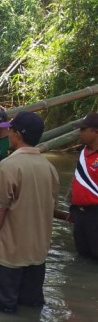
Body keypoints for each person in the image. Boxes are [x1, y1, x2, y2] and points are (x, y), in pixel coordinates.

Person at [0, 111, 59, 313]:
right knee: (31, 306)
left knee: (3, 309)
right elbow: (51, 208)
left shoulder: (10, 165)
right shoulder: (49, 168)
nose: (9, 134)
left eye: (11, 130)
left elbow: (0, 208)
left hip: (10, 254)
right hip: (37, 253)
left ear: (18, 135)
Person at [68, 112, 98, 261]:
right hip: (80, 213)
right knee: (82, 255)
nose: (79, 133)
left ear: (95, 131)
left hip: (95, 214)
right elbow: (77, 179)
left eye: (83, 129)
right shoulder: (83, 152)